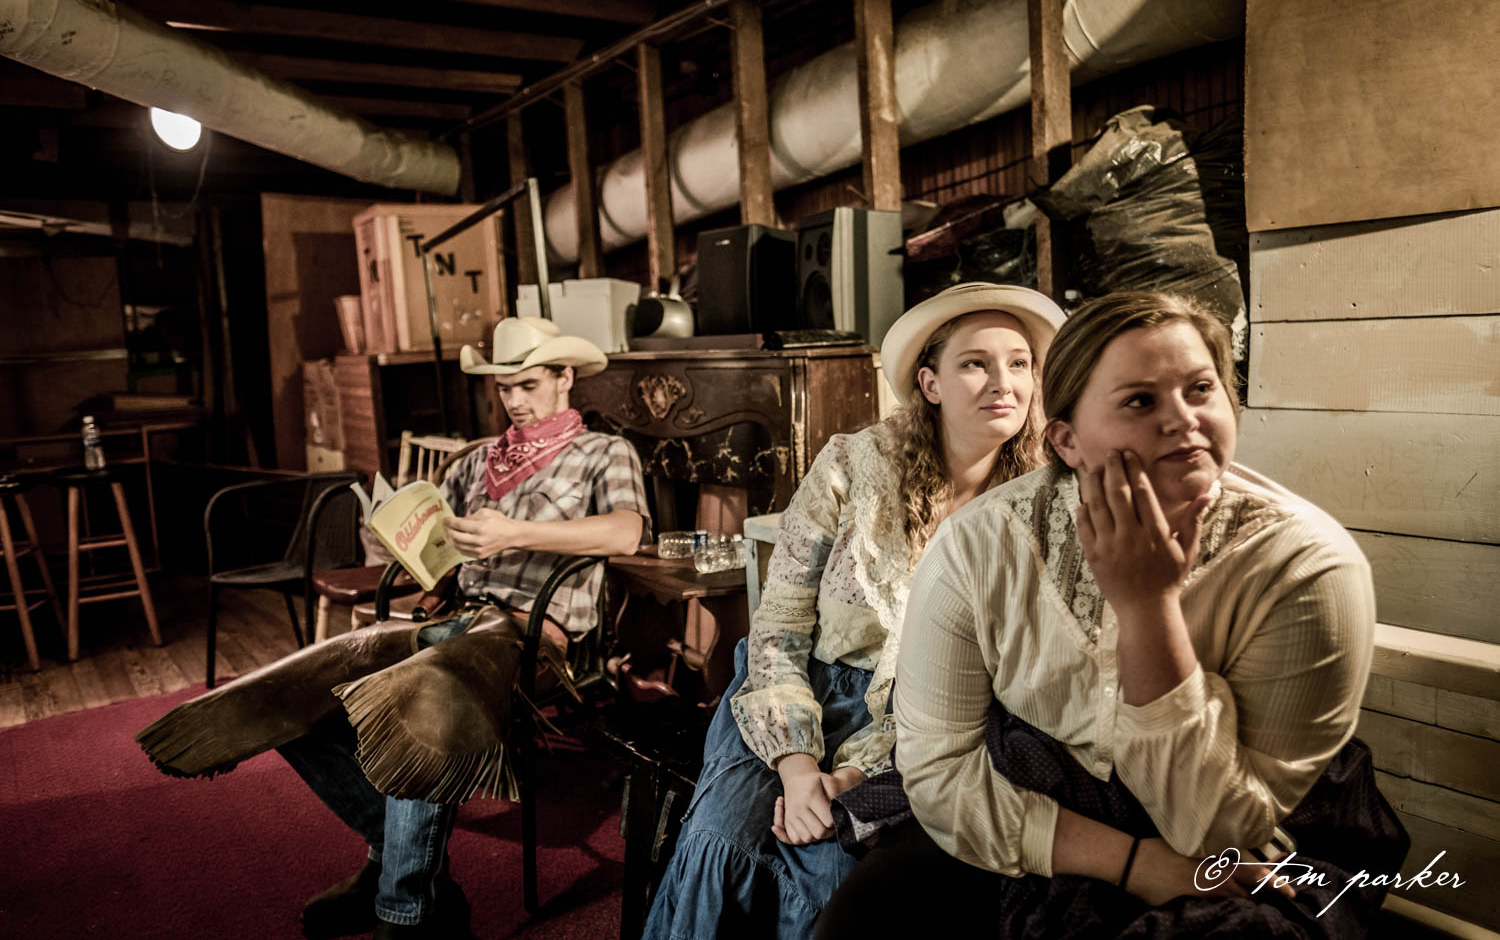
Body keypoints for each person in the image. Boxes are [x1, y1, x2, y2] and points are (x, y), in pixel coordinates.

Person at [816, 290, 1406, 939]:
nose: (1183, 420)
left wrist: (1147, 608)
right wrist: (1133, 862)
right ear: (1066, 440)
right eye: (1140, 401)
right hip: (1040, 795)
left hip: (1249, 833)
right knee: (861, 918)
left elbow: (1216, 831)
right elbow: (937, 771)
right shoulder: (979, 543)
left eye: (1200, 389)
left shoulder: (1303, 564)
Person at [138, 316, 651, 940]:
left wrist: (515, 533)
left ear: (565, 377)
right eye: (503, 387)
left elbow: (627, 532)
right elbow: (438, 551)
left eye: (527, 384)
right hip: (455, 617)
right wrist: (406, 548)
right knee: (293, 690)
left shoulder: (604, 452)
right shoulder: (477, 462)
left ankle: (406, 909)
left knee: (420, 696)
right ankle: (394, 861)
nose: (514, 400)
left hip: (535, 633)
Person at [642, 283, 1066, 939]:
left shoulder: (1040, 505)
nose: (1002, 382)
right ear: (930, 383)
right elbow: (778, 627)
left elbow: (1010, 677)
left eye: (1019, 363)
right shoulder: (852, 464)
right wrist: (797, 766)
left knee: (839, 881)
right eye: (975, 363)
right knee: (724, 843)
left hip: (932, 725)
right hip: (797, 692)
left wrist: (858, 773)